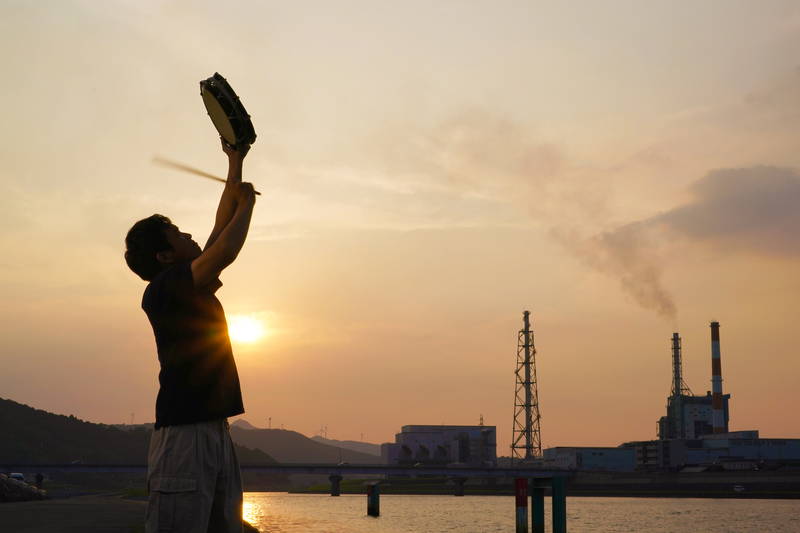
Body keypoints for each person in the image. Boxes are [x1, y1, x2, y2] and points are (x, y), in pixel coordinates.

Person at [124, 140, 256, 533]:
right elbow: (225, 249)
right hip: (185, 436)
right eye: (179, 235)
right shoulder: (164, 289)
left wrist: (234, 162)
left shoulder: (186, 282)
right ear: (165, 256)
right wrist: (248, 205)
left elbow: (218, 236)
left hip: (214, 429)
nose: (190, 235)